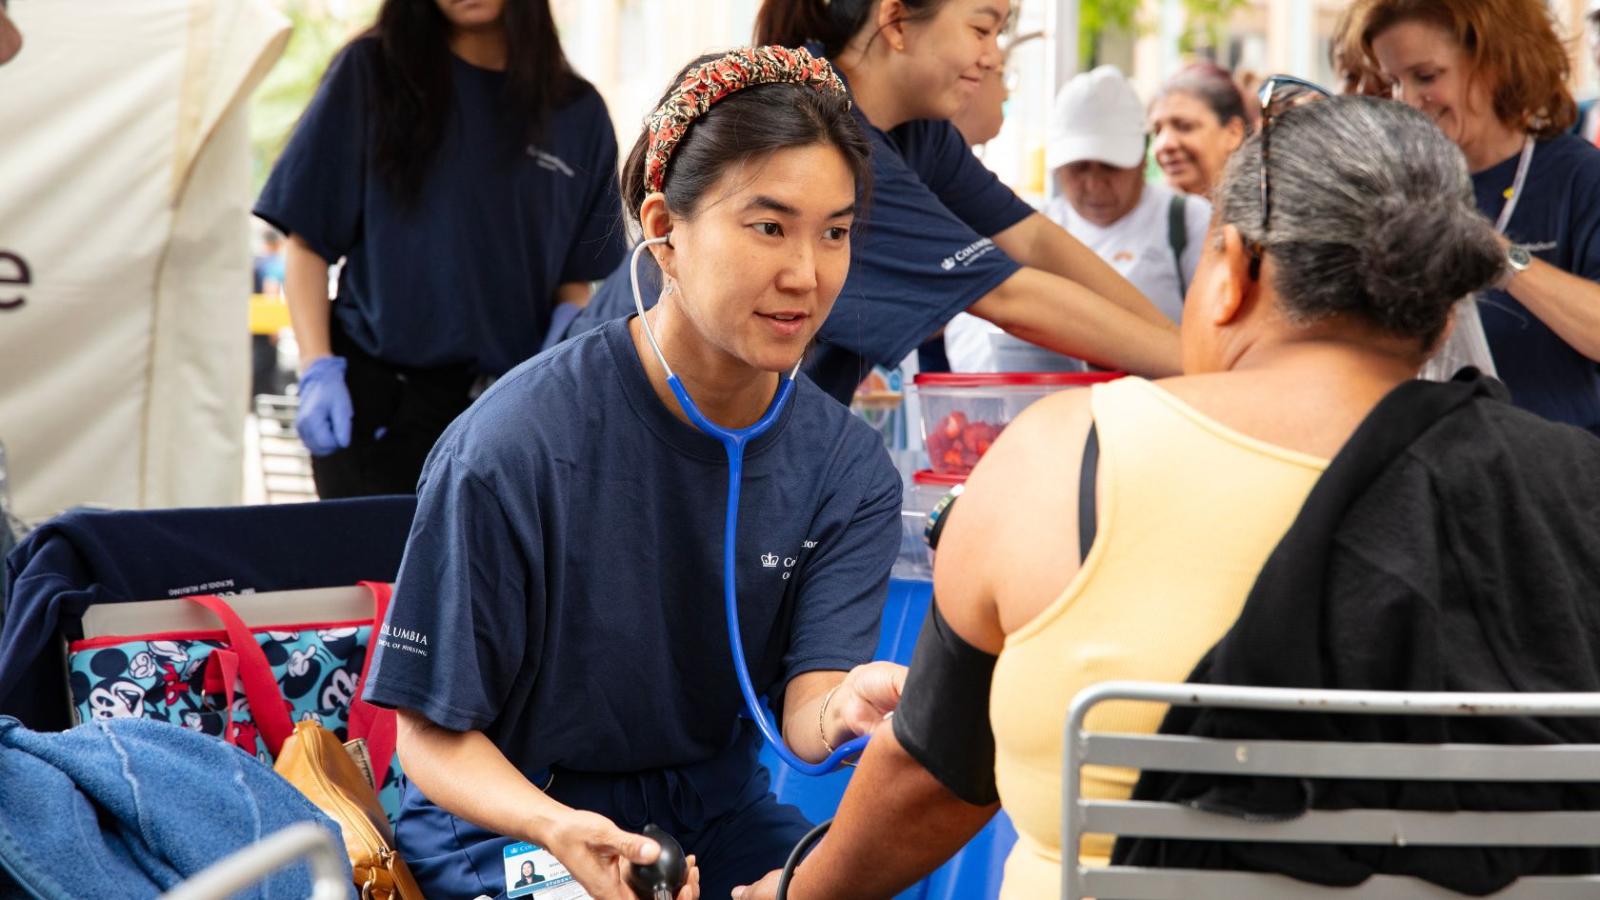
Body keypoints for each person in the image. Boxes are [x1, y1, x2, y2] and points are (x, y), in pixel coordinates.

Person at [732, 94, 1523, 900]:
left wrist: (788, 892)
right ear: (1440, 304)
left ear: (1232, 272)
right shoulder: (1558, 487)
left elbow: (929, 778)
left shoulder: (1057, 461)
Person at [361, 47, 908, 900]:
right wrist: (558, 829)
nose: (807, 274)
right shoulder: (515, 446)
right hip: (511, 814)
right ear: (665, 229)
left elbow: (804, 712)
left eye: (833, 231)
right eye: (769, 226)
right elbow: (430, 740)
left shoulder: (847, 469)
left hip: (711, 813)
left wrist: (842, 709)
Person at [566, 0, 1181, 406]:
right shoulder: (825, 136)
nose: (994, 55)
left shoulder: (918, 133)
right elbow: (1013, 296)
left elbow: (1037, 241)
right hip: (622, 413)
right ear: (896, 22)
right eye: (981, 28)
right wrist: (1213, 373)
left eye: (835, 233)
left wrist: (1186, 350)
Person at [254, 0, 626, 499]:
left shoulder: (577, 113)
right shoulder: (371, 73)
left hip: (508, 418)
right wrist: (317, 366)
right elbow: (306, 242)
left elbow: (574, 275)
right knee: (378, 575)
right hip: (379, 409)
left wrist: (564, 335)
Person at [1362, 0, 1600, 435]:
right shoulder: (1398, 183)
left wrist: (1502, 258)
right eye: (1394, 81)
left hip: (1559, 477)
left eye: (1427, 76)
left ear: (1496, 63)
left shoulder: (1578, 176)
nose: (1408, 101)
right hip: (1438, 465)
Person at [946, 66, 1211, 372]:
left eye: (1110, 167)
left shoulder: (1188, 221)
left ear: (1141, 158)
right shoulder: (1023, 230)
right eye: (1080, 168)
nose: (1094, 183)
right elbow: (970, 337)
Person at [1148, 63, 1249, 198]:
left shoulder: (1272, 210)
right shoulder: (1142, 215)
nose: (1164, 144)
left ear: (1233, 133)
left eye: (1184, 126)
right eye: (1157, 131)